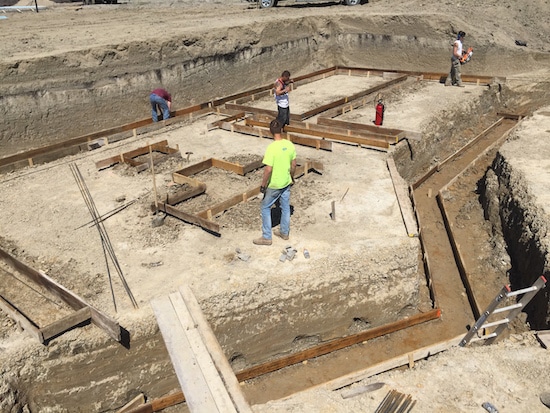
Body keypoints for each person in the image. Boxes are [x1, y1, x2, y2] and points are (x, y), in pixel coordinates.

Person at [253, 119, 297, 246]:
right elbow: (293, 164)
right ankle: (284, 232)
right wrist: (291, 177)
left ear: (270, 132)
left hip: (275, 184)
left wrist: (263, 185)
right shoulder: (289, 145)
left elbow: (268, 169)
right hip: (286, 182)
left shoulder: (271, 148)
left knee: (265, 207)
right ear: (282, 130)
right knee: (285, 207)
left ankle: (266, 236)